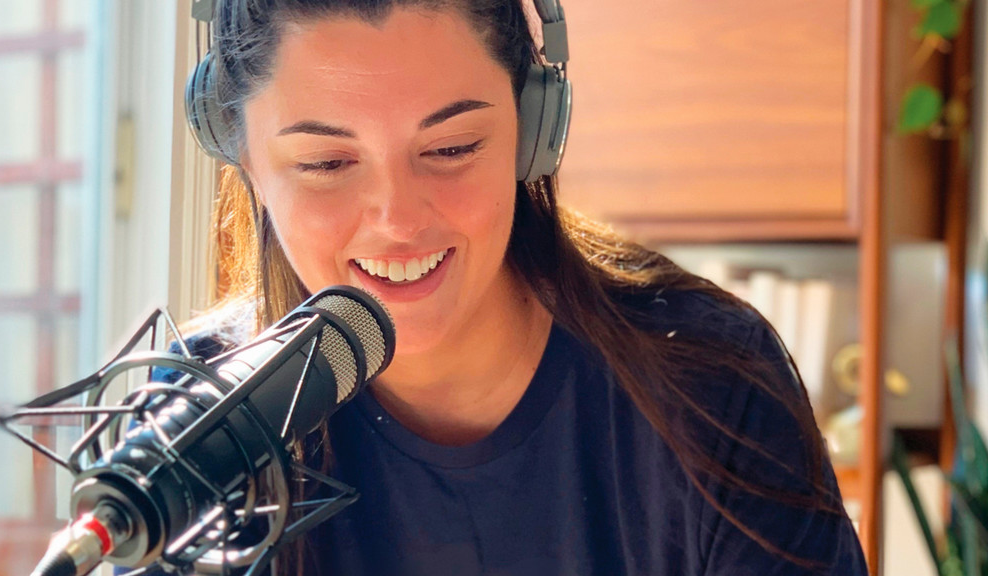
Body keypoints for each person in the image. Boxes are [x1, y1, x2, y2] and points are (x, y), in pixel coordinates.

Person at [158, 0, 868, 574]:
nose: (398, 219)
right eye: (325, 162)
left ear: (535, 132)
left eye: (451, 148)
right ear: (245, 159)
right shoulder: (193, 424)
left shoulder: (713, 387)